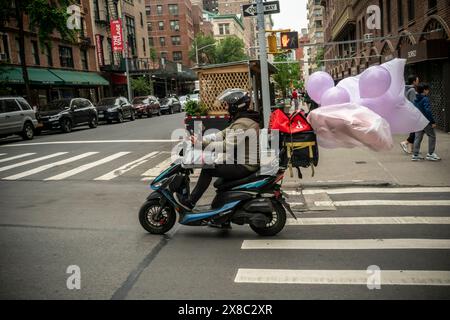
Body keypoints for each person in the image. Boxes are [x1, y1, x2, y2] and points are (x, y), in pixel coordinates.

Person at [174, 89, 260, 212]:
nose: (226, 108)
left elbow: (226, 146)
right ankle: (222, 217)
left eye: (228, 105)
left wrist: (202, 145)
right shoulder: (240, 121)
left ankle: (190, 202)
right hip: (240, 161)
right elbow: (220, 135)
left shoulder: (243, 124)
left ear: (236, 106)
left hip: (245, 165)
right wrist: (200, 140)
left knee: (207, 170)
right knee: (219, 181)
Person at [411, 83, 441, 161]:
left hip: (418, 121)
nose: (428, 91)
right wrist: (432, 121)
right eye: (427, 89)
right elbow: (427, 111)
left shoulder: (415, 99)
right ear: (424, 90)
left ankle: (415, 154)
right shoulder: (425, 99)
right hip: (425, 121)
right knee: (432, 136)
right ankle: (430, 154)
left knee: (418, 137)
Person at [400, 74, 420, 154]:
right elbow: (413, 103)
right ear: (414, 81)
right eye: (417, 80)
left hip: (408, 113)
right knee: (416, 130)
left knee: (414, 130)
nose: (418, 82)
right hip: (412, 113)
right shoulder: (412, 90)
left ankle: (413, 149)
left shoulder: (407, 88)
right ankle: (405, 142)